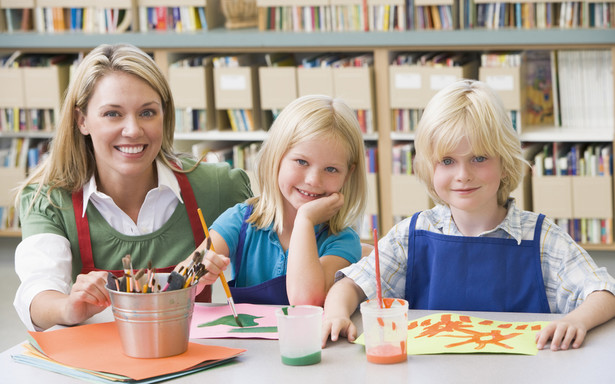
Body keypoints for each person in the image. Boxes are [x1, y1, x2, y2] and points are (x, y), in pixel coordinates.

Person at [322, 79, 615, 351]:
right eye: (447, 161)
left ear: (505, 161)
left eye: (479, 158)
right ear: (429, 167)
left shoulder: (541, 238)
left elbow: (605, 292)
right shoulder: (411, 235)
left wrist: (577, 320)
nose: (463, 175)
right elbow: (349, 286)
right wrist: (336, 315)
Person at [13, 43, 252, 332]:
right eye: (113, 114)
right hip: (101, 370)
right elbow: (38, 294)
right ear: (82, 120)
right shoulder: (49, 200)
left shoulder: (220, 187)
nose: (133, 130)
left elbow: (270, 269)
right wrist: (68, 307)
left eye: (147, 113)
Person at [198, 94, 367, 306]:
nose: (313, 180)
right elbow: (180, 281)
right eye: (301, 161)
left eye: (331, 169)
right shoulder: (241, 220)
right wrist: (198, 277)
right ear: (275, 158)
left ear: (348, 175)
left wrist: (304, 221)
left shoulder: (343, 240)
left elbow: (306, 300)